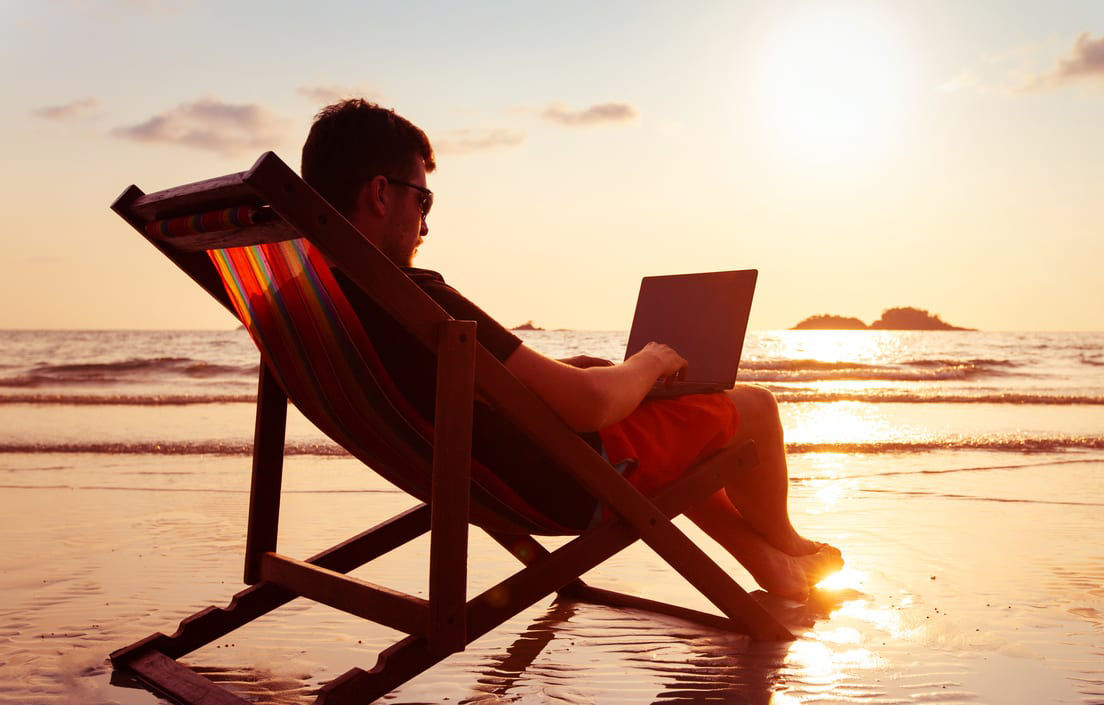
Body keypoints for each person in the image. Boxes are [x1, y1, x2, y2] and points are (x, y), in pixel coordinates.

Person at [301, 99, 841, 602]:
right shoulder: (411, 294)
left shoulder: (316, 299)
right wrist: (648, 362)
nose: (425, 223)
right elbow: (589, 407)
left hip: (484, 477)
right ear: (379, 193)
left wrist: (576, 377)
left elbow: (485, 389)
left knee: (662, 417)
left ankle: (767, 563)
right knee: (756, 408)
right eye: (423, 200)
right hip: (561, 482)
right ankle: (788, 547)